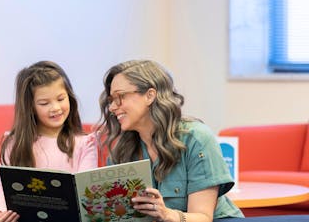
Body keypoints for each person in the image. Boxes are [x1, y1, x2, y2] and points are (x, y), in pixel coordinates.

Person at [96, 60, 244, 222]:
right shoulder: (123, 150)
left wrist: (166, 214)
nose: (111, 108)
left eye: (120, 96)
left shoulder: (196, 138)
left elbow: (203, 217)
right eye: (111, 100)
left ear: (149, 95)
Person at [0, 61, 98, 222]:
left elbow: (87, 193)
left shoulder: (86, 143)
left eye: (61, 99)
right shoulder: (14, 142)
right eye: (44, 103)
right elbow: (3, 189)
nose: (55, 108)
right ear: (30, 107)